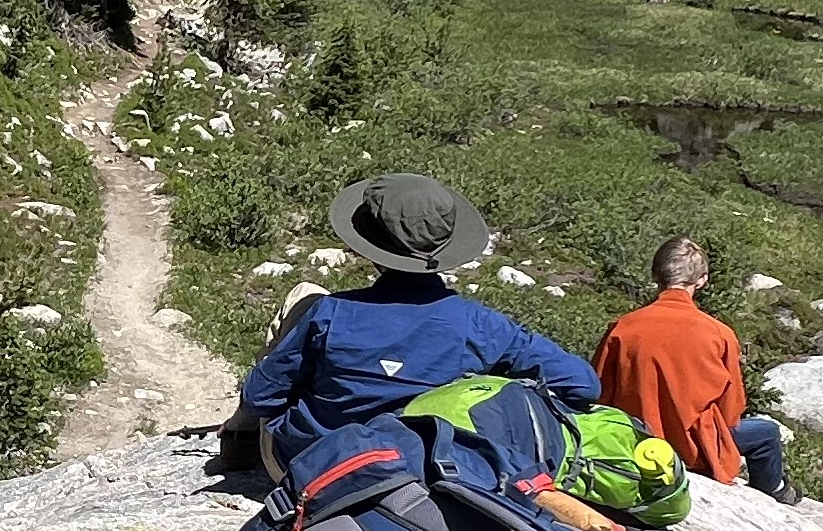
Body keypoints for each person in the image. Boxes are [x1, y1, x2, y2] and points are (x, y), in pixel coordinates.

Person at [236, 174, 600, 472]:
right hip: (417, 469)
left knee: (305, 293)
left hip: (311, 464)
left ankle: (235, 438)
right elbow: (582, 384)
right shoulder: (480, 324)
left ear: (370, 246)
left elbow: (259, 395)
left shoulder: (329, 312)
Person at [593, 236, 796, 502]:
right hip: (694, 449)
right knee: (766, 433)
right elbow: (731, 412)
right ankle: (777, 492)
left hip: (637, 444)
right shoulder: (719, 334)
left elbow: (599, 393)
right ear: (702, 280)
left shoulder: (623, 327)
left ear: (656, 275)